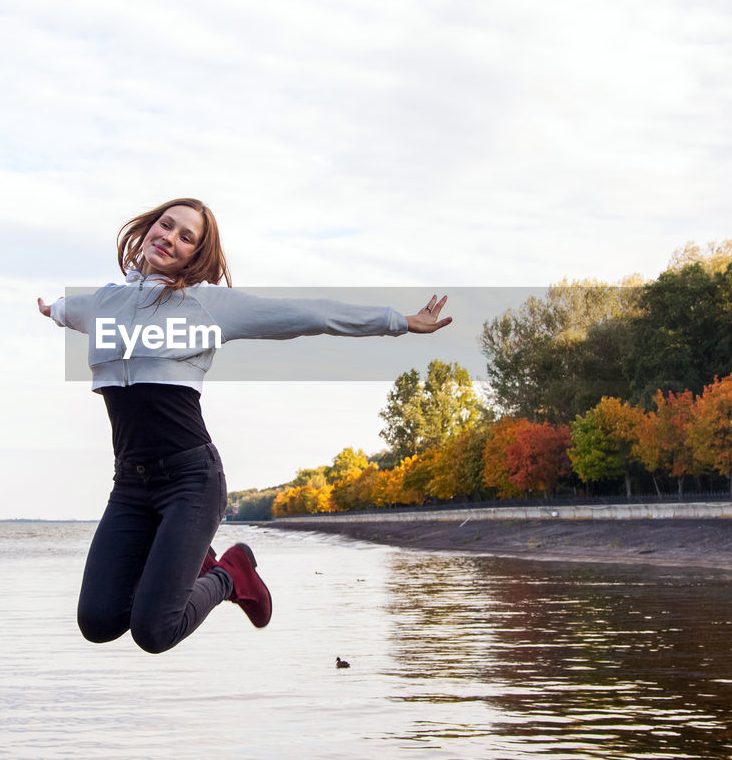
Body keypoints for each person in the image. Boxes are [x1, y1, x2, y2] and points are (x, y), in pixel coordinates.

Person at [38, 198, 451, 654]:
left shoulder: (207, 306)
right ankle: (179, 561)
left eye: (186, 237)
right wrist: (52, 309)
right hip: (130, 485)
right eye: (166, 225)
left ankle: (230, 574)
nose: (169, 238)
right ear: (149, 227)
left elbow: (309, 314)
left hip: (190, 481)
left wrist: (399, 322)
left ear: (196, 255)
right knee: (98, 621)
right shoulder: (102, 303)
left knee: (153, 632)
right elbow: (68, 310)